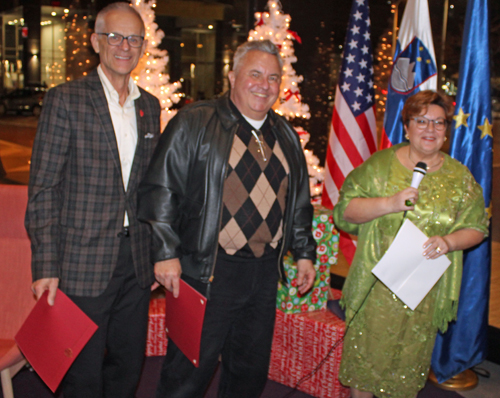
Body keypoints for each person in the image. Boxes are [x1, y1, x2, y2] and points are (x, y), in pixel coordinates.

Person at [138, 39, 317, 398]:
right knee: (188, 374)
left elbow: (297, 203)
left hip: (264, 273)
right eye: (254, 74)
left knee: (248, 373)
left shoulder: (284, 135)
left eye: (272, 77)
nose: (263, 85)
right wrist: (164, 253)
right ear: (232, 76)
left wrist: (304, 252)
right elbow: (160, 190)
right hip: (207, 270)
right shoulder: (196, 121)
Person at [25, 3, 161, 397]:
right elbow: (44, 189)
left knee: (127, 366)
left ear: (142, 46)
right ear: (96, 41)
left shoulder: (148, 107)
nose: (125, 46)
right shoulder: (65, 100)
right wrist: (45, 265)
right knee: (81, 374)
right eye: (115, 36)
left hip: (134, 265)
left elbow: (150, 189)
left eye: (133, 38)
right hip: (79, 263)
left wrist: (155, 254)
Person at [333, 90, 489, 398]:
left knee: (405, 373)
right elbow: (344, 212)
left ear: (446, 131)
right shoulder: (380, 166)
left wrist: (448, 241)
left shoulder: (460, 177)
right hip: (375, 288)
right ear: (406, 127)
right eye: (421, 121)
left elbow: (477, 227)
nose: (430, 129)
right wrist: (390, 203)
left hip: (422, 292)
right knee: (364, 371)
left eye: (439, 123)